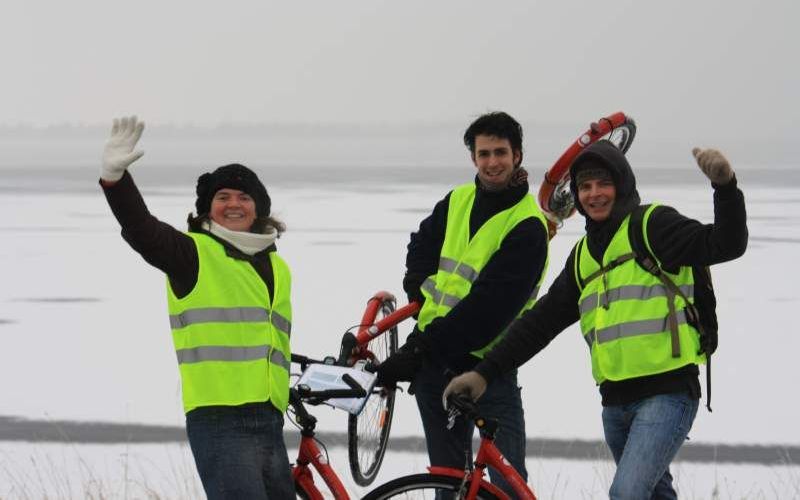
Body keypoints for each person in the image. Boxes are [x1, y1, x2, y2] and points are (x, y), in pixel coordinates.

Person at [445, 139, 748, 499]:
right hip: (614, 404)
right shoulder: (583, 256)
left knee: (627, 493)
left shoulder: (652, 225)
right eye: (585, 187)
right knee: (653, 494)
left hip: (668, 394)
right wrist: (483, 373)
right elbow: (540, 323)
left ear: (622, 185)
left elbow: (726, 244)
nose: (594, 194)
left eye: (603, 184)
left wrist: (725, 186)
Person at [99, 116, 295, 499]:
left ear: (259, 209)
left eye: (243, 197)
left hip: (269, 418)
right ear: (207, 210)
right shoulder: (192, 254)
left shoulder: (276, 266)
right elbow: (143, 231)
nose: (233, 204)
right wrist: (115, 181)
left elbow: (261, 335)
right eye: (223, 198)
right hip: (220, 419)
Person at [376, 111, 550, 497]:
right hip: (434, 366)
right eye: (483, 153)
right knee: (446, 480)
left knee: (509, 485)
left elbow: (488, 312)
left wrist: (418, 348)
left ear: (517, 155)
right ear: (473, 157)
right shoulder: (457, 200)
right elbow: (420, 245)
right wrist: (418, 289)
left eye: (500, 153)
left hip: (490, 370)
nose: (492, 162)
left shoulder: (528, 226)